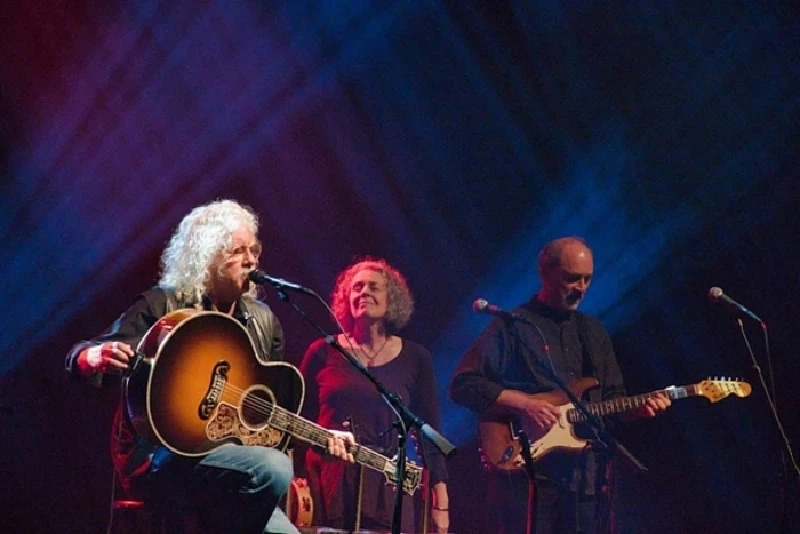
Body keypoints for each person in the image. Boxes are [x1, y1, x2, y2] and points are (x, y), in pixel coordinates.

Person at [65, 199, 354, 534]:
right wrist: (93, 357)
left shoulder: (263, 322)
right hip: (160, 456)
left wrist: (318, 437)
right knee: (273, 469)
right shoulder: (164, 303)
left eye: (254, 250)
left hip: (234, 464)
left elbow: (264, 417)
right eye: (237, 251)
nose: (251, 260)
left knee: (272, 477)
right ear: (206, 258)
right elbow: (82, 355)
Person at [450, 236, 671, 534]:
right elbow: (463, 384)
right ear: (546, 273)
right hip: (527, 476)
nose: (580, 287)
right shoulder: (514, 325)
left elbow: (614, 401)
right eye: (571, 278)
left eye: (587, 279)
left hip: (584, 478)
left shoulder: (593, 332)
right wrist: (525, 404)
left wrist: (640, 410)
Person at [299, 258, 450, 533]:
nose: (364, 292)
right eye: (357, 287)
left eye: (374, 287)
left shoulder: (416, 358)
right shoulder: (323, 351)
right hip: (329, 480)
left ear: (391, 300)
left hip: (388, 485)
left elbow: (430, 434)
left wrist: (441, 504)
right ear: (347, 298)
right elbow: (297, 417)